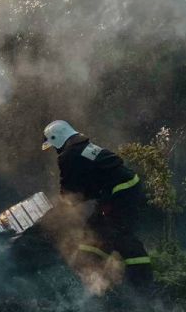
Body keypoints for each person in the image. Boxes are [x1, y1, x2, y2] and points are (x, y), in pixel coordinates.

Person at [42, 120, 154, 289]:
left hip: (120, 192)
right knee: (95, 229)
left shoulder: (68, 155)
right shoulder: (84, 147)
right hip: (123, 189)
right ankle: (91, 276)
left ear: (57, 139)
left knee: (121, 234)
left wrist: (61, 210)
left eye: (53, 144)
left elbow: (70, 188)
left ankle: (142, 284)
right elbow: (94, 179)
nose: (54, 149)